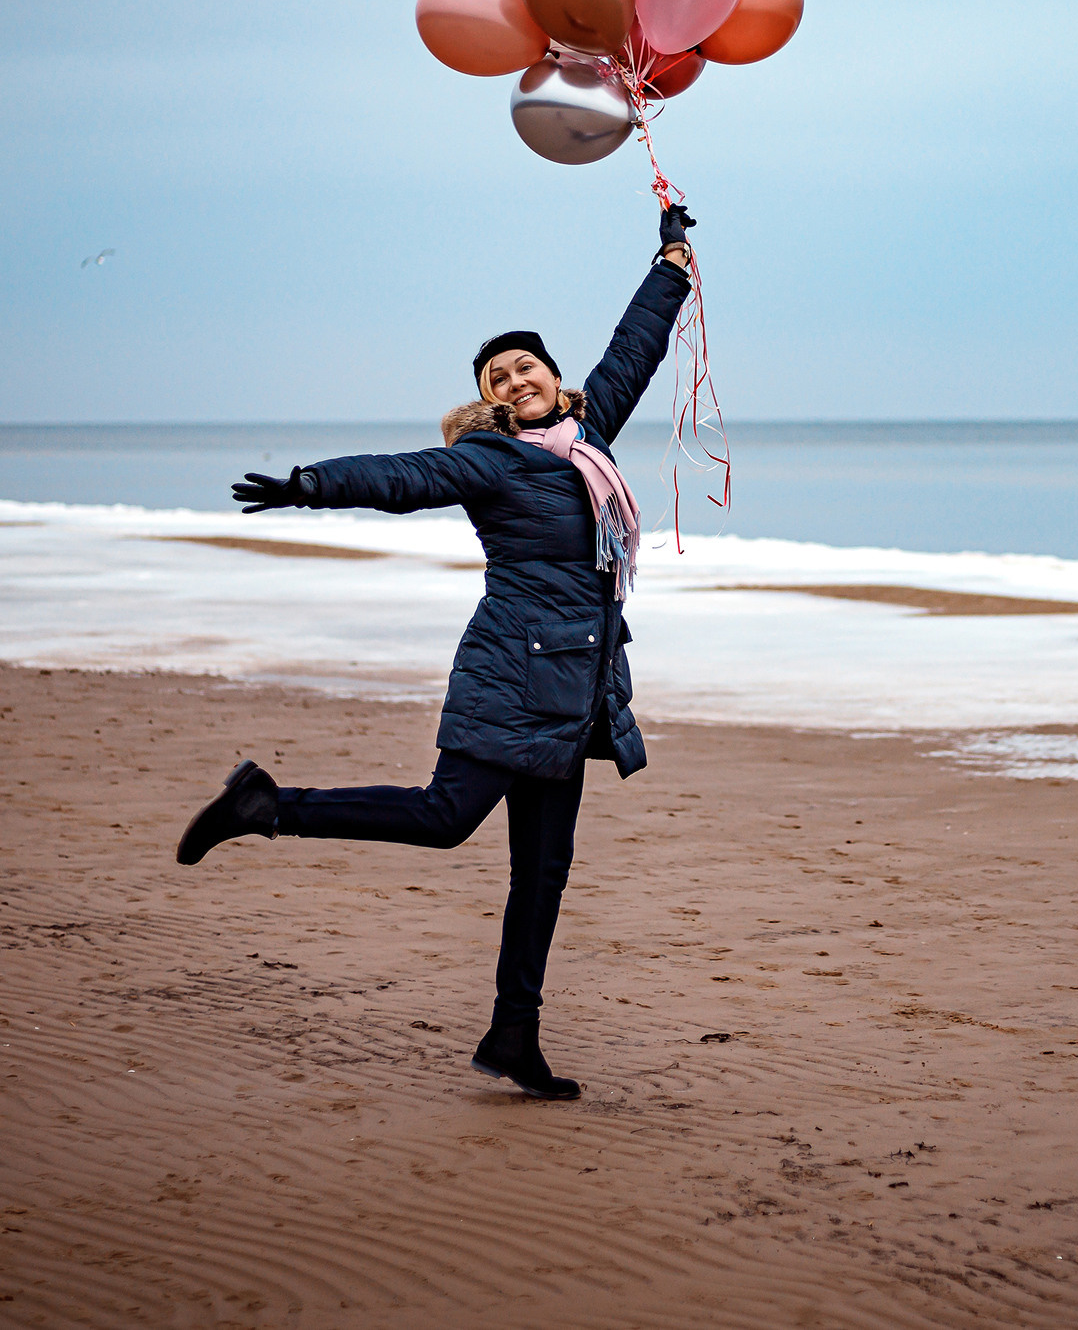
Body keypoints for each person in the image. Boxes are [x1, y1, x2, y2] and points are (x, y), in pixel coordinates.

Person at [174, 204, 699, 1099]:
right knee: (443, 817)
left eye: (525, 365)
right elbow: (406, 476)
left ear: (553, 374)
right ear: (491, 399)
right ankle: (268, 804)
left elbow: (636, 347)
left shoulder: (589, 437)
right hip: (512, 674)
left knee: (544, 875)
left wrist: (672, 266)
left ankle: (514, 1035)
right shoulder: (493, 460)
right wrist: (311, 486)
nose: (514, 380)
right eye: (498, 377)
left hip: (574, 689)